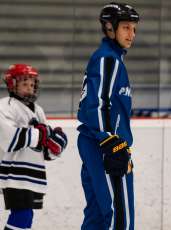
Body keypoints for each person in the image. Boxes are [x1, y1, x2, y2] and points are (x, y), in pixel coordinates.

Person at [77, 2, 139, 229]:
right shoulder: (108, 59)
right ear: (109, 28)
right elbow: (99, 102)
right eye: (125, 27)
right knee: (118, 216)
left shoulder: (111, 59)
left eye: (134, 28)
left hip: (94, 143)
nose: (131, 34)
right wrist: (109, 140)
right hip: (106, 146)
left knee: (97, 215)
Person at [0, 63, 68, 230]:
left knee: (26, 217)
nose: (29, 88)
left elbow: (45, 149)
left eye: (32, 84)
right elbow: (9, 138)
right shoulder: (5, 106)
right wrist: (42, 135)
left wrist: (56, 146)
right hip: (14, 173)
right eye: (24, 84)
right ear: (12, 85)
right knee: (22, 216)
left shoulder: (38, 110)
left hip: (33, 175)